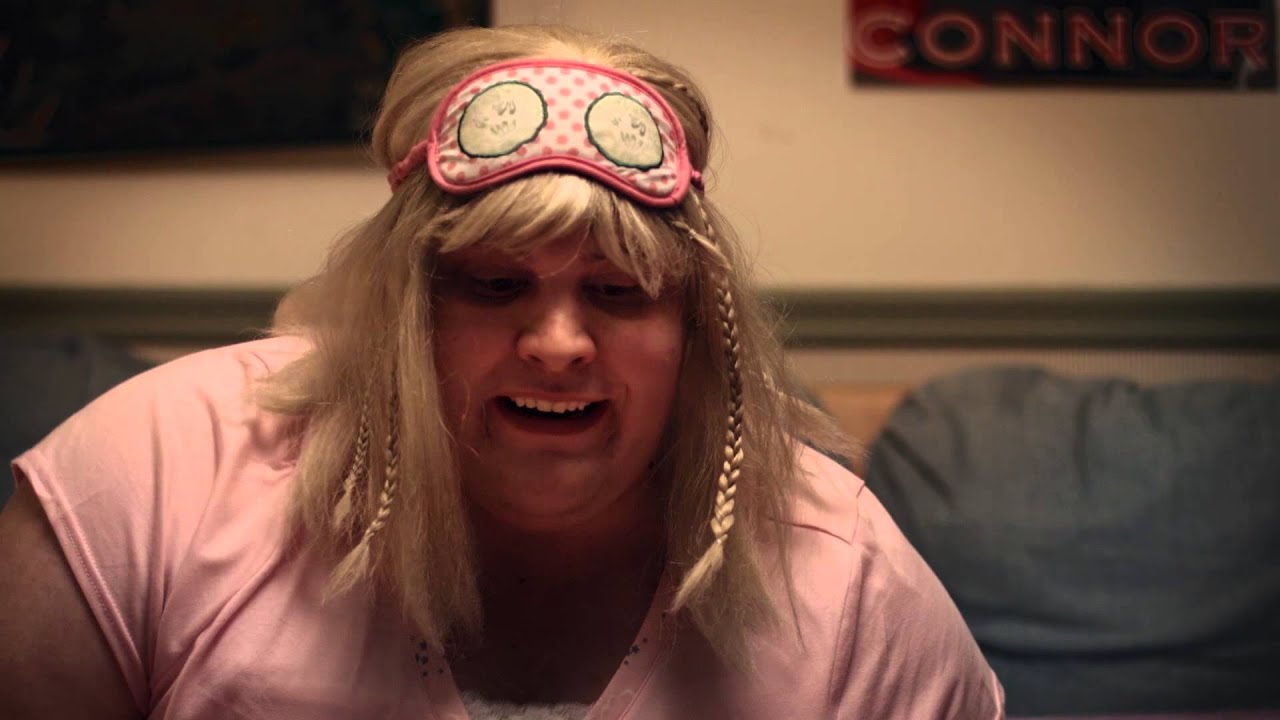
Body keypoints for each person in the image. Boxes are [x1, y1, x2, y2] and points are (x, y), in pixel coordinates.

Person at [0, 24, 1004, 719]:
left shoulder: (845, 577)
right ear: (401, 309)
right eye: (491, 284)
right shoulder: (154, 474)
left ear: (696, 328)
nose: (558, 343)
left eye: (618, 292)